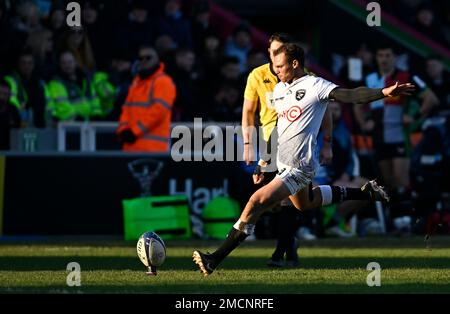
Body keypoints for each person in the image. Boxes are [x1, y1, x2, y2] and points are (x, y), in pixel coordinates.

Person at [193, 42, 413, 276]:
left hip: (300, 165)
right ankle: (364, 193)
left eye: (280, 66)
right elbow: (279, 129)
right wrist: (264, 161)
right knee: (304, 203)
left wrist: (383, 93)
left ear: (295, 63)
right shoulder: (279, 90)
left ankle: (214, 259)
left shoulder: (314, 84)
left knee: (256, 202)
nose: (276, 70)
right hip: (284, 162)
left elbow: (350, 95)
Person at [241, 33, 331, 268]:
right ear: (268, 53)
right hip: (270, 140)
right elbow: (249, 112)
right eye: (273, 51)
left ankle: (281, 250)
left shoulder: (307, 78)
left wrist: (328, 143)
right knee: (269, 199)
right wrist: (248, 144)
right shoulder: (257, 75)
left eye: (281, 51)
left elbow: (326, 109)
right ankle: (288, 243)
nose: (276, 56)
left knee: (288, 200)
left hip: (297, 142)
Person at [117, 45, 176, 152]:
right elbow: (126, 109)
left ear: (157, 59)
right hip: (130, 146)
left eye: (148, 57)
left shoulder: (163, 81)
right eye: (140, 58)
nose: (144, 60)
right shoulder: (136, 83)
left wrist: (134, 132)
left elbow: (158, 112)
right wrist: (123, 130)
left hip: (153, 148)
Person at [0, 79, 21, 150]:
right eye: (0, 93)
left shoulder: (13, 109)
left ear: (9, 95)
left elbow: (18, 129)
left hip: (10, 151)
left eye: (5, 94)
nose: (2, 97)